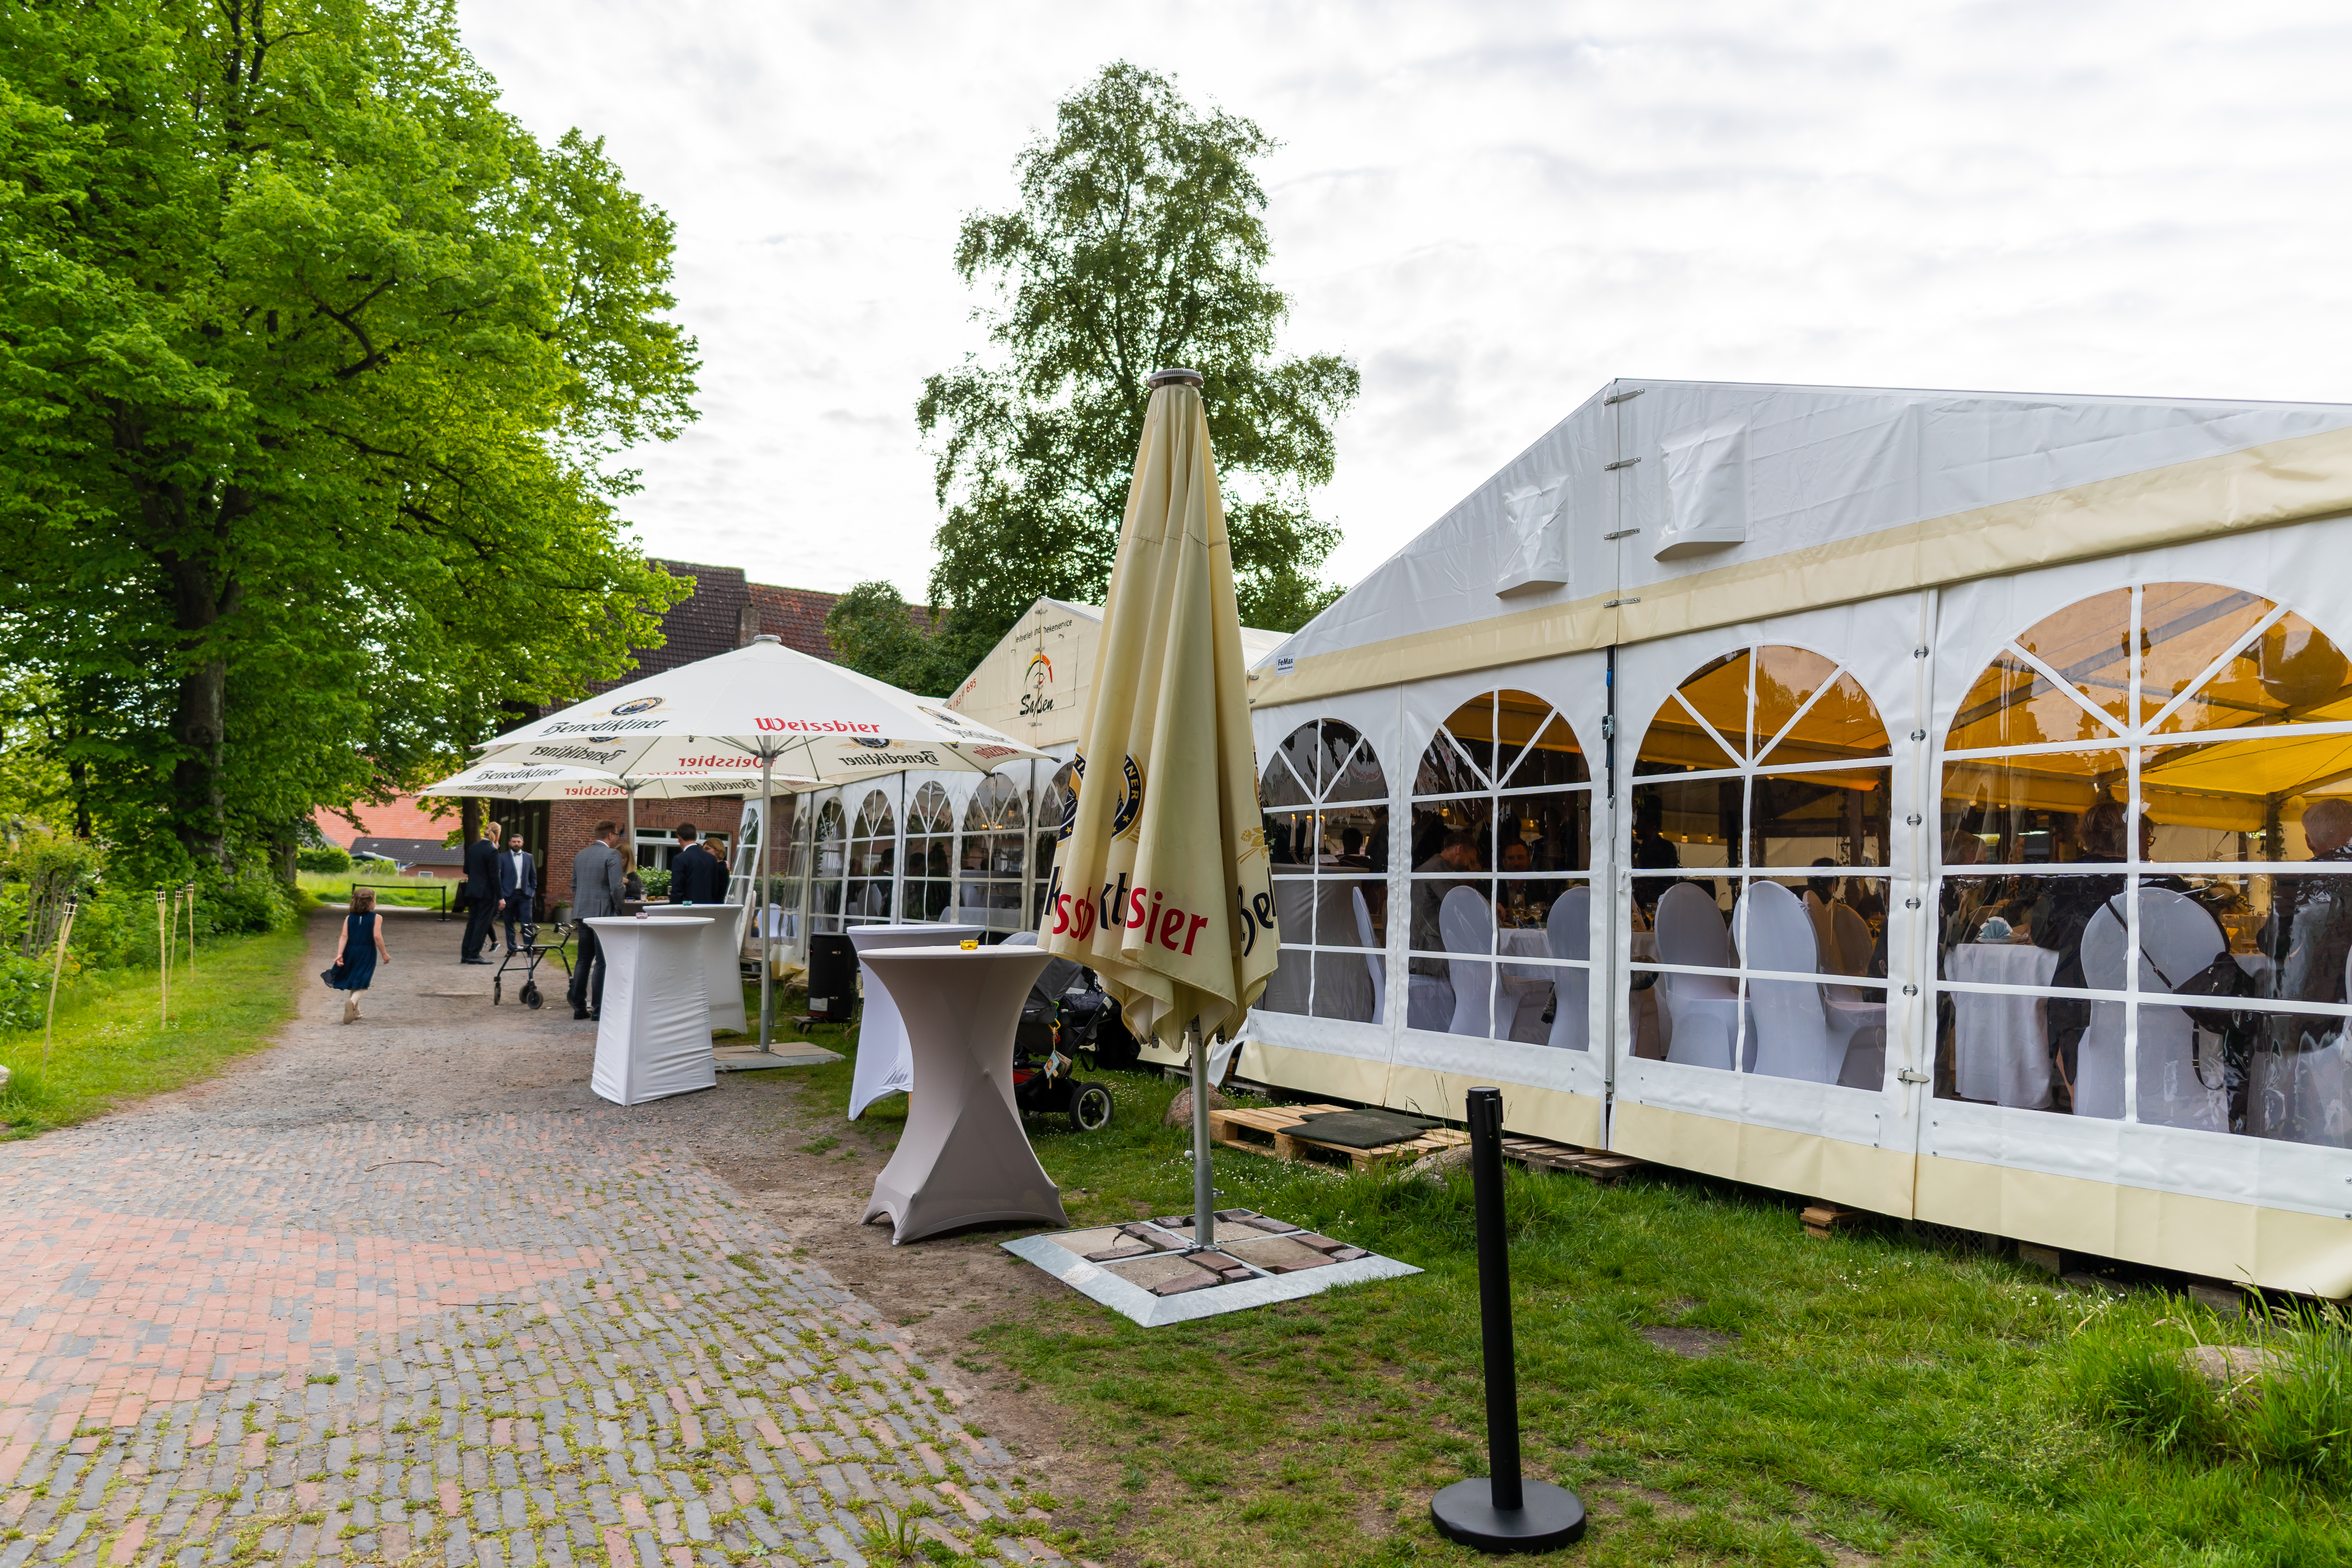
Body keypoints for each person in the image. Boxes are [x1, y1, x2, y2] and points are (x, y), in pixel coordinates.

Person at [570, 820, 625, 1019]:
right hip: (604, 914)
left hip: (583, 912)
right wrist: (621, 909)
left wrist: (583, 903)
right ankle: (599, 1009)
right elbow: (616, 887)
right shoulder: (612, 854)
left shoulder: (580, 855)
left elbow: (574, 885)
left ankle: (578, 1008)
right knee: (602, 962)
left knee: (583, 960)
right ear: (611, 835)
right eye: (617, 835)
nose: (618, 839)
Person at [1410, 828, 1483, 974]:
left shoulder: (1433, 866)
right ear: (1460, 850)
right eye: (1471, 860)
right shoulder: (1439, 867)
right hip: (1430, 955)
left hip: (1418, 952)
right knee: (1482, 967)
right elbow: (1459, 908)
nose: (1469, 866)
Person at [326, 887, 390, 1024]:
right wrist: (384, 954)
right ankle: (352, 1002)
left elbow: (344, 936)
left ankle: (357, 1014)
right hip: (366, 951)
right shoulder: (377, 917)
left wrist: (340, 954)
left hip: (350, 952)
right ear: (372, 902)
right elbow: (377, 936)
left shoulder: (350, 918)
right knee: (363, 984)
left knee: (356, 981)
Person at [460, 819, 503, 964]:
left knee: (472, 922)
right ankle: (474, 955)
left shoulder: (473, 848)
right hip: (487, 893)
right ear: (497, 834)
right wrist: (501, 897)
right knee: (482, 924)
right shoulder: (492, 851)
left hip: (472, 891)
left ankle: (466, 954)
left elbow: (466, 870)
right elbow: (494, 876)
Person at [668, 824, 727, 905]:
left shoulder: (680, 859)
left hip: (687, 908)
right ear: (696, 837)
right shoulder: (711, 858)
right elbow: (715, 888)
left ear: (679, 838)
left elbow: (677, 890)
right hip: (707, 907)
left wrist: (672, 909)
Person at [498, 831, 537, 952]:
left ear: (523, 843)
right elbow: (499, 877)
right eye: (514, 842)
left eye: (519, 842)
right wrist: (501, 894)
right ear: (510, 843)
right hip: (509, 895)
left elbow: (533, 876)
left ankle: (530, 947)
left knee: (527, 922)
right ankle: (512, 948)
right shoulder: (502, 857)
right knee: (509, 922)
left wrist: (532, 890)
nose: (516, 844)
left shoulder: (529, 857)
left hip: (525, 895)